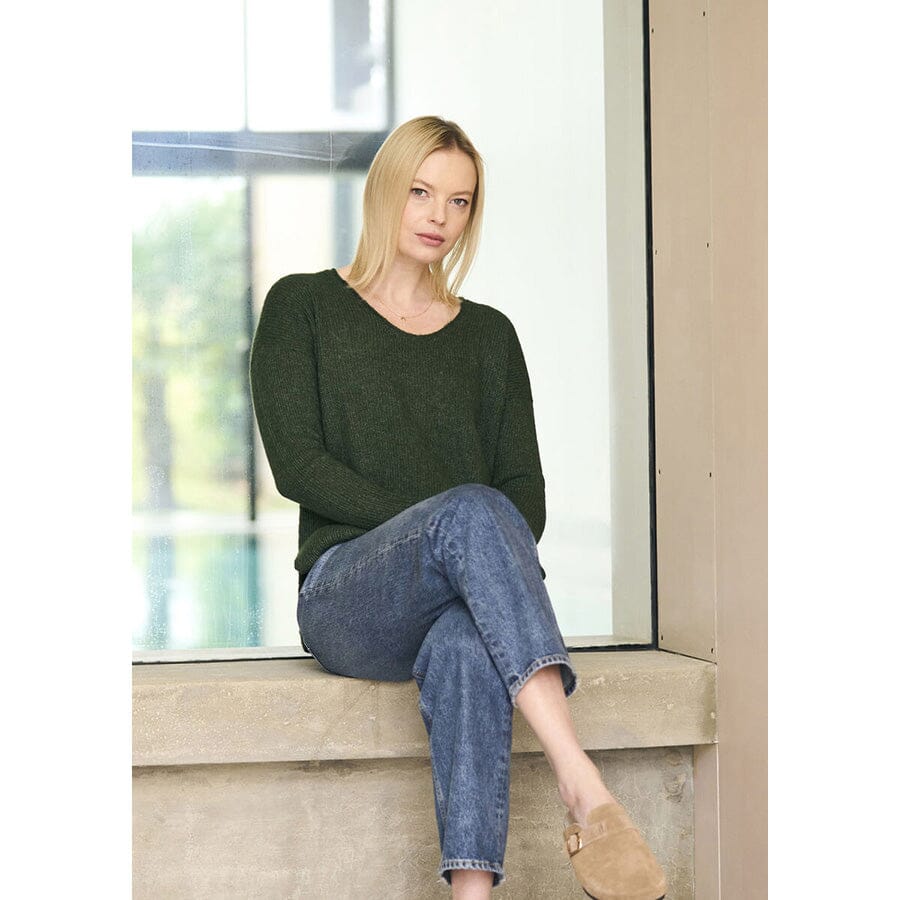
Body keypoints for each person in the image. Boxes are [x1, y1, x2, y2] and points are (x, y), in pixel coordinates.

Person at [250, 115, 666, 900]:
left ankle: (471, 894)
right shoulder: (302, 305)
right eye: (421, 192)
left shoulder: (489, 337)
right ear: (385, 191)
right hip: (348, 596)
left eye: (460, 201)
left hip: (459, 597)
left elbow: (526, 498)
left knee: (471, 644)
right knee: (472, 512)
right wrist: (442, 526)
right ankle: (580, 780)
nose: (439, 215)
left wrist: (458, 538)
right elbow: (300, 468)